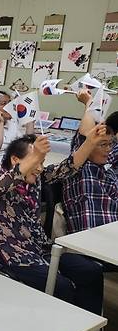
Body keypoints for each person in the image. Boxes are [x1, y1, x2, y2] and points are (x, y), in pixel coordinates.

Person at [0, 129, 112, 331]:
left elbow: (68, 167)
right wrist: (34, 156)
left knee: (90, 271)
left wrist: (90, 142)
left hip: (41, 249)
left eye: (42, 162)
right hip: (10, 254)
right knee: (61, 285)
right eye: (36, 161)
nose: (40, 167)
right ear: (15, 160)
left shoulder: (36, 179)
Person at [62, 90, 118, 233]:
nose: (108, 149)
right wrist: (89, 103)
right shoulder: (81, 167)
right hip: (89, 238)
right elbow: (86, 136)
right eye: (103, 144)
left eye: (110, 144)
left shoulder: (108, 171)